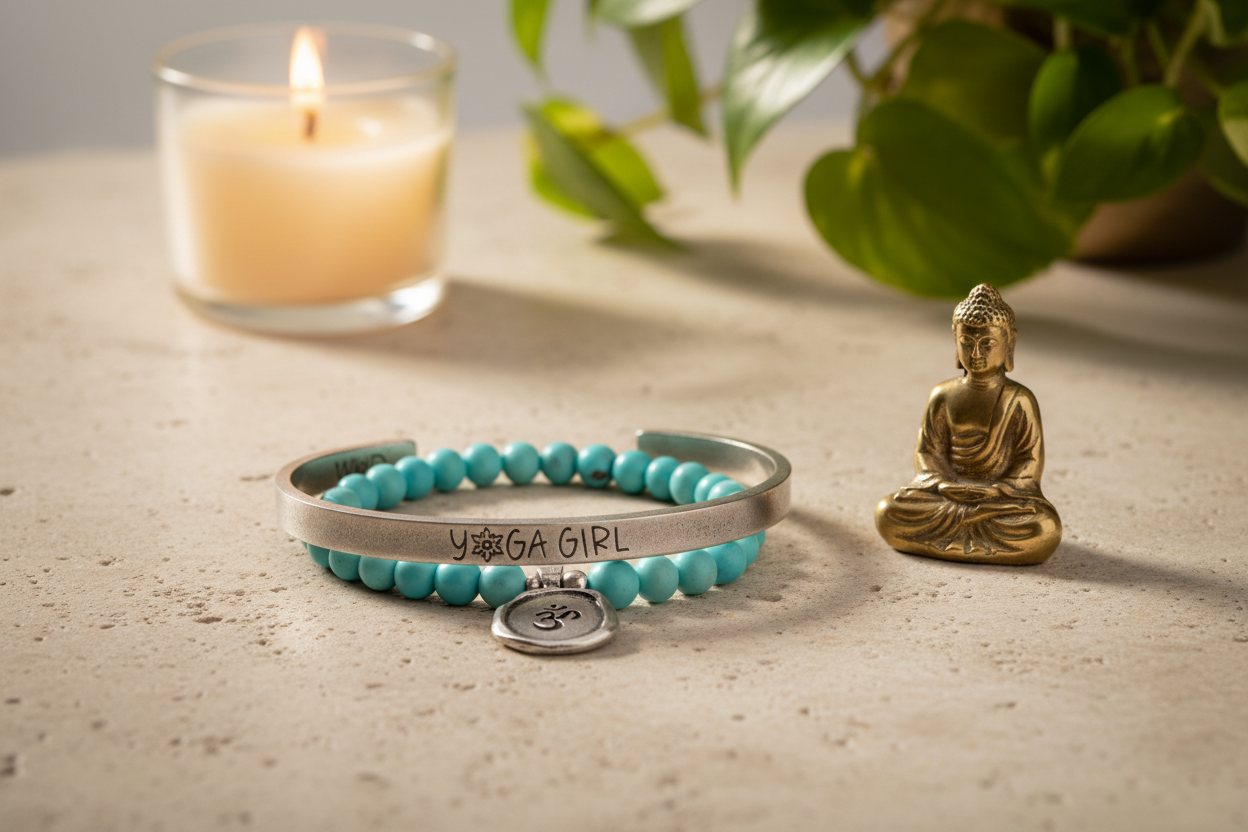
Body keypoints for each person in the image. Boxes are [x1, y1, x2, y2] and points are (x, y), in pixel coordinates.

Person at [875, 284, 1061, 565]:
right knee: (889, 512)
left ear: (1009, 343)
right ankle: (977, 535)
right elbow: (927, 454)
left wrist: (995, 490)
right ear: (955, 340)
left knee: (1043, 527)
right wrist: (944, 485)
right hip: (947, 496)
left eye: (987, 343)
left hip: (997, 500)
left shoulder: (1019, 399)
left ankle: (955, 534)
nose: (976, 352)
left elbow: (1029, 461)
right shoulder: (943, 395)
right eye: (966, 342)